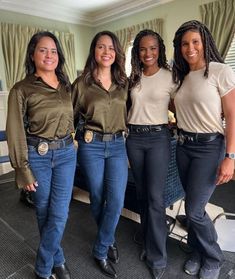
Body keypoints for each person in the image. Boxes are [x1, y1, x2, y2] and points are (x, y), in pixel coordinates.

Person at [6, 31, 77, 279]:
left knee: (60, 213)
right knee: (44, 212)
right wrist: (22, 168)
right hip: (39, 156)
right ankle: (57, 259)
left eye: (54, 50)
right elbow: (15, 130)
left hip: (67, 154)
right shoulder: (21, 89)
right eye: (43, 50)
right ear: (33, 54)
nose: (49, 55)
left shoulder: (67, 86)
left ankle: (43, 268)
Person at [172, 20, 235, 279]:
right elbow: (181, 110)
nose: (190, 48)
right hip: (183, 146)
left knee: (194, 210)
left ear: (205, 42)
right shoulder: (180, 76)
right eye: (185, 44)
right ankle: (197, 250)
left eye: (195, 42)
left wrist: (231, 156)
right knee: (192, 205)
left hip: (210, 148)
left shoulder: (220, 71)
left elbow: (232, 116)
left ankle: (213, 257)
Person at [72, 31, 128, 279]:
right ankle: (109, 238)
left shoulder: (124, 83)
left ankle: (101, 248)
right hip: (91, 146)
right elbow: (68, 118)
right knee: (96, 197)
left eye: (111, 48)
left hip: (117, 146)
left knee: (115, 200)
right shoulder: (82, 84)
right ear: (94, 51)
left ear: (116, 53)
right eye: (101, 47)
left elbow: (131, 114)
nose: (106, 52)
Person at [126, 29, 176, 279]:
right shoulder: (133, 78)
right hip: (134, 139)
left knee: (156, 198)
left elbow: (183, 106)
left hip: (158, 138)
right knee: (142, 194)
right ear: (137, 52)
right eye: (143, 48)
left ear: (160, 50)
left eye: (153, 48)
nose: (148, 53)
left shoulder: (170, 77)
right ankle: (148, 240)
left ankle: (158, 256)